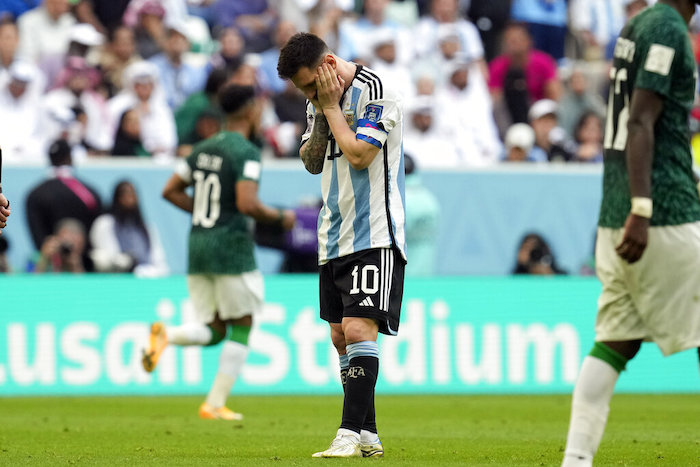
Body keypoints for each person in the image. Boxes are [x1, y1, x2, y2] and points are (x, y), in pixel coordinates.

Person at [561, 1, 700, 465]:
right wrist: (643, 207)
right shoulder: (666, 26)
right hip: (661, 209)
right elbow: (640, 119)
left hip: (615, 209)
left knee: (616, 340)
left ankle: (576, 459)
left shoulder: (637, 24)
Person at [277, 32, 406, 458]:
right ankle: (369, 434)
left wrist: (331, 106)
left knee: (358, 329)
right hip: (332, 233)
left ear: (329, 63)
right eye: (303, 91)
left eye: (311, 86)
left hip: (375, 233)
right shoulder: (317, 101)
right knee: (339, 336)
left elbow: (358, 155)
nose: (310, 95)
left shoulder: (377, 92)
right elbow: (313, 162)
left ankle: (348, 433)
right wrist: (320, 106)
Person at [142, 84, 295, 420]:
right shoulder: (245, 152)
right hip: (231, 248)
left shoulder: (201, 149)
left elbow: (170, 190)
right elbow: (247, 203)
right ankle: (214, 403)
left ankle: (167, 334)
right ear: (251, 110)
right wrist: (282, 217)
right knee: (242, 324)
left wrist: (205, 211)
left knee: (214, 330)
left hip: (198, 244)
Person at [25, 139, 102, 253]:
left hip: (50, 261)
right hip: (84, 262)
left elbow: (37, 234)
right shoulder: (89, 193)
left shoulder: (35, 194)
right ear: (70, 158)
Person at [89, 180, 169, 277]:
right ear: (117, 198)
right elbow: (110, 260)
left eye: (132, 195)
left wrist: (145, 272)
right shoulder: (105, 224)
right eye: (125, 195)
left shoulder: (147, 228)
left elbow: (159, 261)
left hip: (147, 280)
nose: (129, 199)